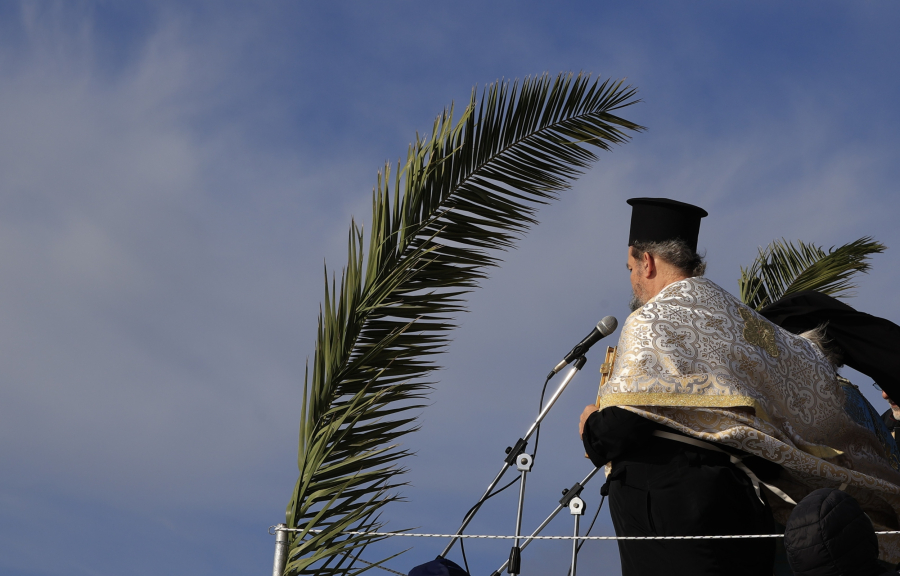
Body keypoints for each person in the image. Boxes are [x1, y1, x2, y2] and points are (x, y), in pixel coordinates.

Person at [579, 198, 776, 576]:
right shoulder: (738, 318)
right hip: (743, 506)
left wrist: (591, 426)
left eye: (630, 268)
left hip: (672, 509)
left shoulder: (652, 319)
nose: (632, 279)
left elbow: (625, 424)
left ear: (647, 261)